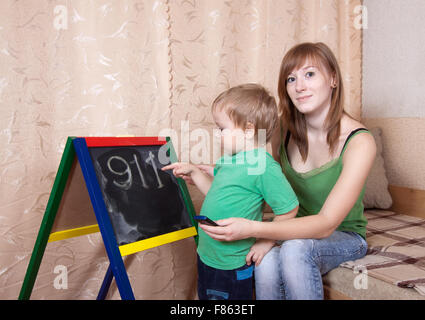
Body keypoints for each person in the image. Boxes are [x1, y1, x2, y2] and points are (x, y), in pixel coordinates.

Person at [198, 42, 376, 300]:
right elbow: (261, 175)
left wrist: (256, 230)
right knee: (265, 260)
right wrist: (223, 176)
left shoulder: (360, 141)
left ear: (334, 79)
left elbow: (326, 225)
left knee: (294, 250)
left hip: (344, 235)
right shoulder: (281, 131)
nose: (299, 86)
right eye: (291, 78)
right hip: (292, 228)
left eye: (310, 74)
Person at [162, 83, 299, 300]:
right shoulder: (229, 161)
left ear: (248, 130)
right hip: (207, 255)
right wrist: (196, 173)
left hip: (233, 263)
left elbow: (289, 210)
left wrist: (265, 241)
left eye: (222, 128)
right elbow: (216, 194)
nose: (217, 135)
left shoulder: (263, 166)